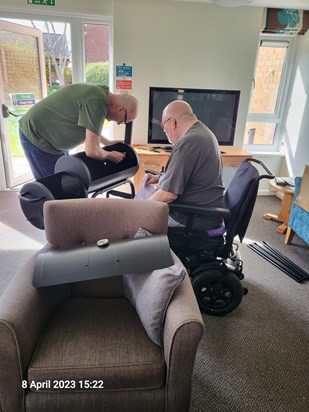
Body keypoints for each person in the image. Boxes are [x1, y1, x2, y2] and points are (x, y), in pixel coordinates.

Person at [19, 83, 139, 180]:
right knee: (53, 190)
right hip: (37, 137)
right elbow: (92, 151)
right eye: (124, 120)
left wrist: (107, 143)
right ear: (121, 109)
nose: (119, 123)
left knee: (64, 185)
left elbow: (89, 127)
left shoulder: (101, 96)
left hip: (53, 141)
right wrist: (109, 155)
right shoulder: (98, 102)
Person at [144, 100, 224, 229]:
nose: (164, 130)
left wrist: (138, 211)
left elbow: (168, 195)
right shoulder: (202, 132)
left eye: (163, 125)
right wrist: (159, 178)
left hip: (192, 218)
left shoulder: (187, 143)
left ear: (172, 122)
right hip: (204, 212)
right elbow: (191, 175)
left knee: (135, 222)